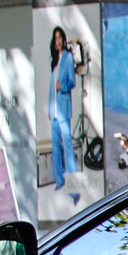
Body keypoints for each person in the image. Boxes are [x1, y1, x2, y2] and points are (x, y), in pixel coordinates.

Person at [47, 26, 80, 190]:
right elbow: (50, 87)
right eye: (55, 38)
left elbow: (72, 82)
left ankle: (73, 184)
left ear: (63, 39)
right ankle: (59, 181)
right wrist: (48, 108)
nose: (58, 41)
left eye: (60, 37)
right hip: (54, 110)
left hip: (64, 108)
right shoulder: (54, 60)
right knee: (55, 147)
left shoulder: (68, 57)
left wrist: (63, 86)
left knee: (67, 145)